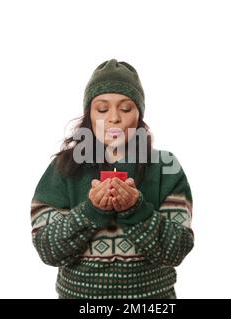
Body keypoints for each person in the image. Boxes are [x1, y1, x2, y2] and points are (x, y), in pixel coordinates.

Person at [30, 59, 194, 299]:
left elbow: (177, 250)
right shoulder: (63, 167)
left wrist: (136, 210)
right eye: (102, 109)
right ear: (89, 115)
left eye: (126, 109)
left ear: (139, 115)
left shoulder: (165, 167)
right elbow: (47, 249)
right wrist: (90, 211)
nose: (114, 118)